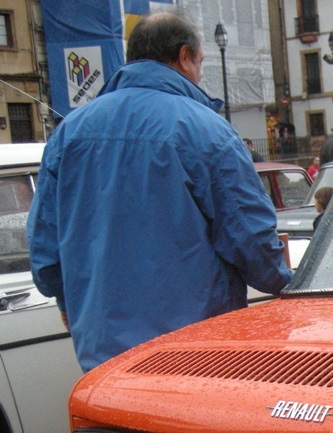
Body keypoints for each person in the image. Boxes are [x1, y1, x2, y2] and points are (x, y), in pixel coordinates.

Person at [28, 11, 292, 375]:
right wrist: (292, 284)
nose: (199, 74)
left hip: (104, 358)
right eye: (199, 63)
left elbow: (45, 253)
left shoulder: (68, 132)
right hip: (197, 352)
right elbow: (252, 241)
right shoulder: (207, 131)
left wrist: (68, 301)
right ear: (185, 57)